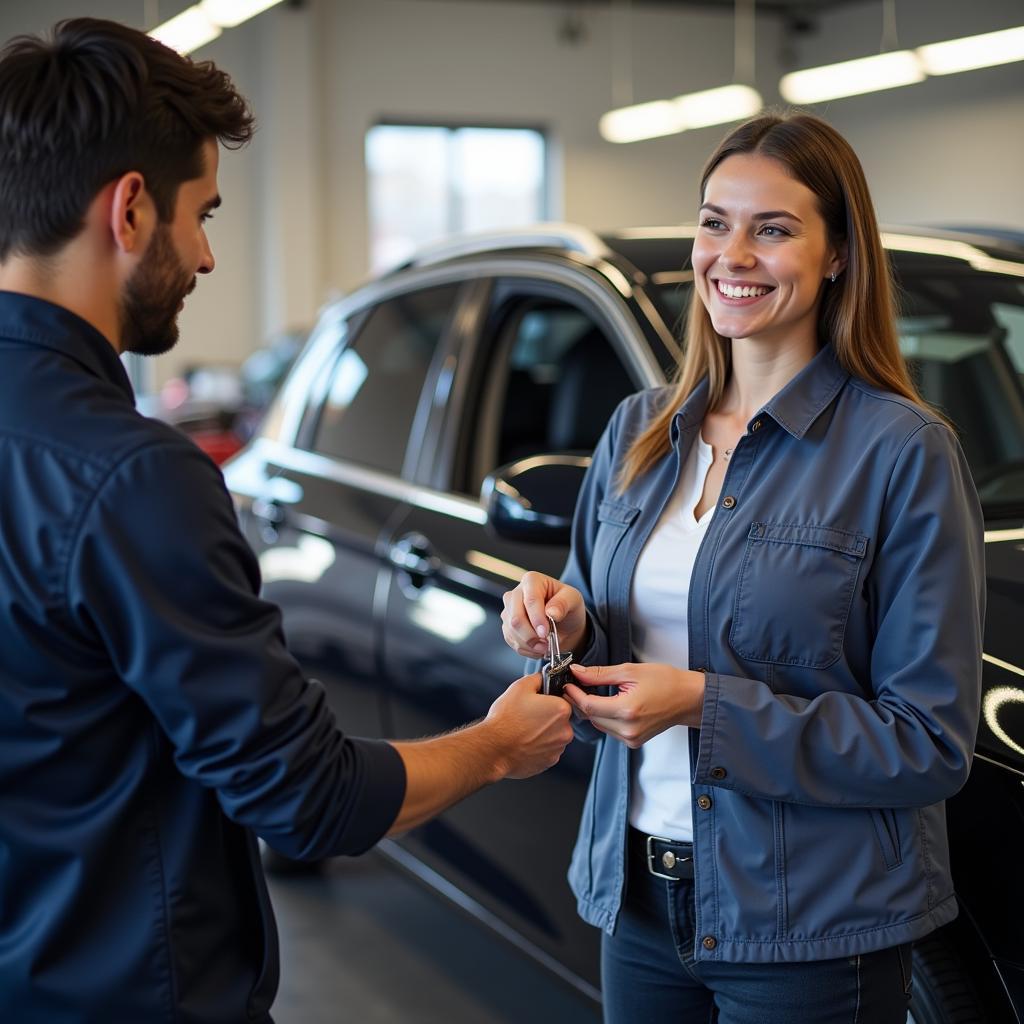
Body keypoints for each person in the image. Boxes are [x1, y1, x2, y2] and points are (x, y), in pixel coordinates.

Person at [0, 18, 573, 1023]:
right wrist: (497, 742)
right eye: (202, 214)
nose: (209, 256)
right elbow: (309, 800)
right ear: (130, 209)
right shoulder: (134, 477)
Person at [502, 111, 984, 1023]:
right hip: (637, 902)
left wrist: (699, 704)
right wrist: (559, 625)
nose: (734, 254)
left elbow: (928, 741)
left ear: (838, 254)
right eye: (715, 222)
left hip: (812, 928)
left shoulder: (902, 452)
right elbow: (597, 634)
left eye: (773, 228)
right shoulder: (638, 430)